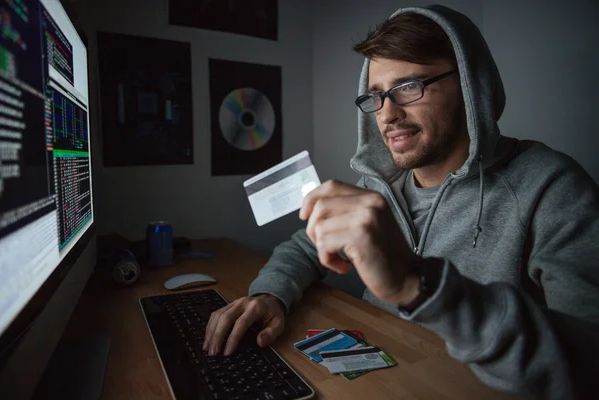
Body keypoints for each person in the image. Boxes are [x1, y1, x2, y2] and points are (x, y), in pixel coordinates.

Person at [203, 5, 599, 399]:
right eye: (376, 96)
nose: (388, 115)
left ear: (469, 86)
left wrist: (421, 285)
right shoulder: (378, 189)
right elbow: (304, 246)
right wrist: (270, 295)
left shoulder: (552, 187)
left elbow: (588, 365)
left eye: (409, 86)